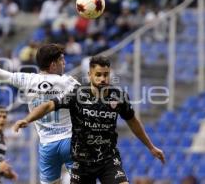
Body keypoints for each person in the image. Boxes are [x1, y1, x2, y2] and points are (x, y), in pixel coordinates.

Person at [13, 56, 166, 184]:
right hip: (81, 163)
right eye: (98, 75)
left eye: (106, 74)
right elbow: (48, 106)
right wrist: (28, 119)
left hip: (108, 159)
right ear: (90, 74)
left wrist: (151, 147)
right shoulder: (77, 94)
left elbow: (133, 122)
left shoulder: (118, 96)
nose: (102, 79)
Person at [0, 44, 80, 184]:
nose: (64, 63)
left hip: (47, 145)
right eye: (61, 60)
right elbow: (89, 97)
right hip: (69, 141)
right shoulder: (68, 82)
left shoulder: (28, 80)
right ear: (53, 65)